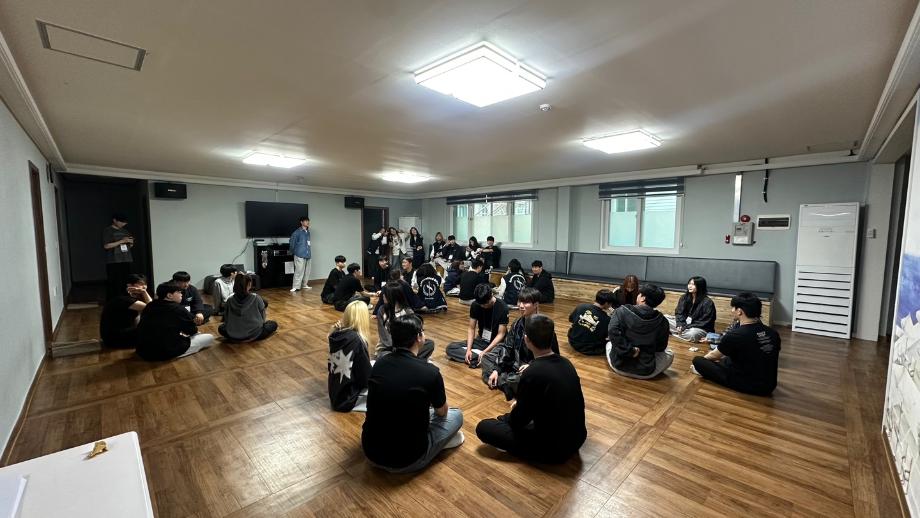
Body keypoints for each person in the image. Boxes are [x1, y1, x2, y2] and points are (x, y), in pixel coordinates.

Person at [475, 315, 586, 464]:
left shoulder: (532, 372)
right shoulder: (566, 363)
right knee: (513, 417)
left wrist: (508, 417)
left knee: (484, 427)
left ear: (527, 340)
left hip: (555, 451)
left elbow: (518, 421)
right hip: (578, 438)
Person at [362, 314, 464, 473]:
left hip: (370, 452)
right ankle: (437, 445)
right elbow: (442, 412)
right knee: (456, 415)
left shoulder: (379, 364)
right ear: (419, 337)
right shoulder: (430, 372)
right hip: (408, 459)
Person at [691, 292, 781, 396]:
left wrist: (702, 364)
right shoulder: (773, 333)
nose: (732, 310)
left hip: (751, 386)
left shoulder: (735, 335)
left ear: (739, 311)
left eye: (733, 308)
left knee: (698, 361)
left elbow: (713, 355)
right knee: (729, 357)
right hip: (769, 386)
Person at [481, 287, 559, 399]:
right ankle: (506, 383)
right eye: (519, 301)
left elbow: (552, 357)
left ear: (536, 304)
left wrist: (532, 365)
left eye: (526, 302)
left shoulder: (543, 326)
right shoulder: (517, 323)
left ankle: (505, 382)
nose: (521, 306)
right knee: (486, 358)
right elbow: (507, 347)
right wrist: (496, 370)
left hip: (532, 367)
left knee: (526, 379)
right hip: (515, 363)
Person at [607, 284, 673, 379]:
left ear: (643, 298)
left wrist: (630, 351)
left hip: (618, 365)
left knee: (609, 343)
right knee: (670, 354)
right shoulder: (663, 321)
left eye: (639, 294)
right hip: (645, 371)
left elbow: (612, 332)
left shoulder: (621, 311)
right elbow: (661, 347)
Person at [135, 282, 214, 361]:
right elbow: (192, 330)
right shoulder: (178, 309)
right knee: (209, 337)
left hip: (142, 350)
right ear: (169, 295)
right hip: (163, 352)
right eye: (179, 292)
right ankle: (177, 354)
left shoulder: (150, 305)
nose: (181, 294)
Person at [446, 284, 509, 365]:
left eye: (486, 304)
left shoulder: (502, 307)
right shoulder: (476, 305)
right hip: (481, 341)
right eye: (481, 304)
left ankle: (481, 357)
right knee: (450, 348)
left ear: (491, 295)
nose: (483, 306)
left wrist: (485, 351)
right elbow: (471, 328)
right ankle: (481, 358)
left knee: (502, 354)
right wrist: (468, 350)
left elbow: (501, 334)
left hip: (497, 343)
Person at [328, 300, 373, 412]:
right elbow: (366, 378)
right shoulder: (357, 340)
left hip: (335, 393)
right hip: (348, 399)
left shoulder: (336, 335)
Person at [375, 283, 435, 359]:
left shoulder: (408, 311)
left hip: (407, 347)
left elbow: (414, 333)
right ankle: (410, 360)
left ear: (393, 296)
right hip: (389, 348)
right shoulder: (382, 310)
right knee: (383, 355)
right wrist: (397, 349)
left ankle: (404, 360)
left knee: (429, 344)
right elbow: (384, 335)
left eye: (385, 294)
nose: (383, 296)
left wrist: (407, 348)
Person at [219, 274, 278, 342]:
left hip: (233, 334)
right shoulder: (256, 298)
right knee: (273, 324)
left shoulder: (229, 300)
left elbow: (226, 319)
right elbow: (263, 318)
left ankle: (236, 335)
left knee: (221, 328)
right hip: (255, 333)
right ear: (249, 284)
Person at [99, 273, 151, 348]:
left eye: (145, 284)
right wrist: (144, 292)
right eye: (140, 284)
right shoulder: (124, 299)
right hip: (115, 339)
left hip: (117, 335)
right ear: (129, 285)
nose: (144, 287)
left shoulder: (131, 298)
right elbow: (152, 308)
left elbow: (137, 320)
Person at [568, 289, 617, 355]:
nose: (610, 306)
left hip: (572, 341)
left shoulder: (580, 306)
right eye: (610, 304)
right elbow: (606, 336)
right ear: (606, 303)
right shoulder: (606, 319)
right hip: (588, 348)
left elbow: (571, 319)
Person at [667, 276, 716, 342]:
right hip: (685, 323)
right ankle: (679, 332)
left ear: (700, 286)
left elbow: (705, 322)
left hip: (699, 328)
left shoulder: (708, 302)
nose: (690, 286)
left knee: (692, 334)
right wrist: (680, 324)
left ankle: (675, 333)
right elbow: (679, 313)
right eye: (689, 283)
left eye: (693, 284)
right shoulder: (684, 297)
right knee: (664, 319)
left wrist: (686, 327)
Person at [102, 213, 134, 300]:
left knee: (126, 281)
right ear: (114, 220)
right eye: (121, 222)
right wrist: (121, 241)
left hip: (126, 258)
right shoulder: (108, 231)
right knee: (114, 282)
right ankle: (113, 300)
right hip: (113, 260)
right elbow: (106, 246)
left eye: (125, 223)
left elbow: (130, 246)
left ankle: (125, 299)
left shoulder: (125, 231)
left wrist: (130, 243)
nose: (123, 224)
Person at [289, 216, 312, 292]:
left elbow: (308, 243)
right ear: (301, 222)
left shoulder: (308, 232)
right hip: (299, 254)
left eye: (308, 221)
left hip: (307, 254)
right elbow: (292, 243)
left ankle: (304, 284)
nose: (307, 222)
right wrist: (294, 252)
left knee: (307, 271)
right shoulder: (297, 232)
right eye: (305, 221)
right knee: (299, 271)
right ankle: (296, 286)